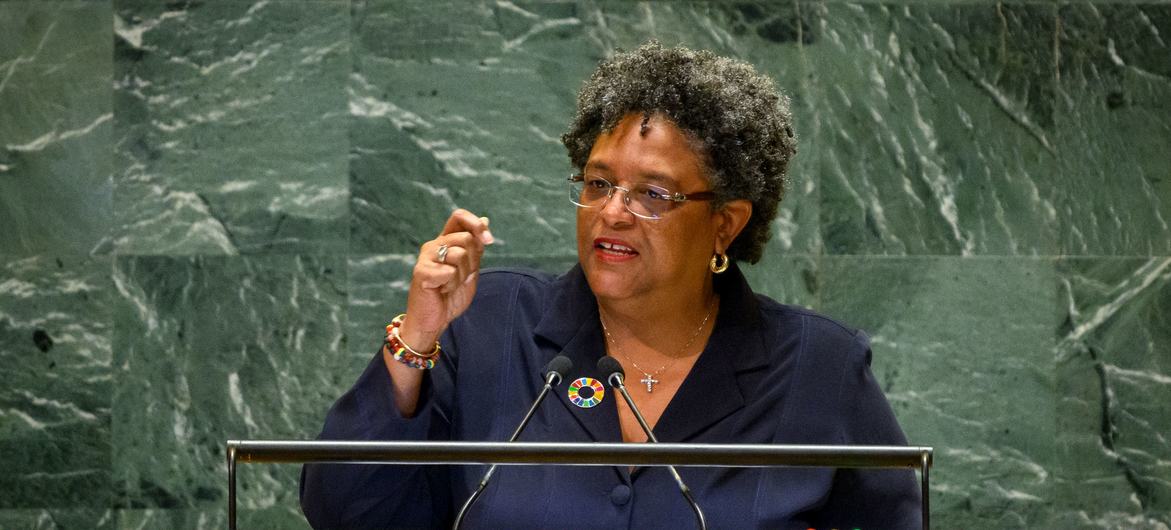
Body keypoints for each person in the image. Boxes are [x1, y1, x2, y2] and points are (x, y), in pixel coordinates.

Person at [301, 41, 921, 529]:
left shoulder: (821, 368)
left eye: (652, 194)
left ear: (724, 224)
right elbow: (345, 513)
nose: (613, 212)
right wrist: (416, 340)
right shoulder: (489, 323)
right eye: (598, 184)